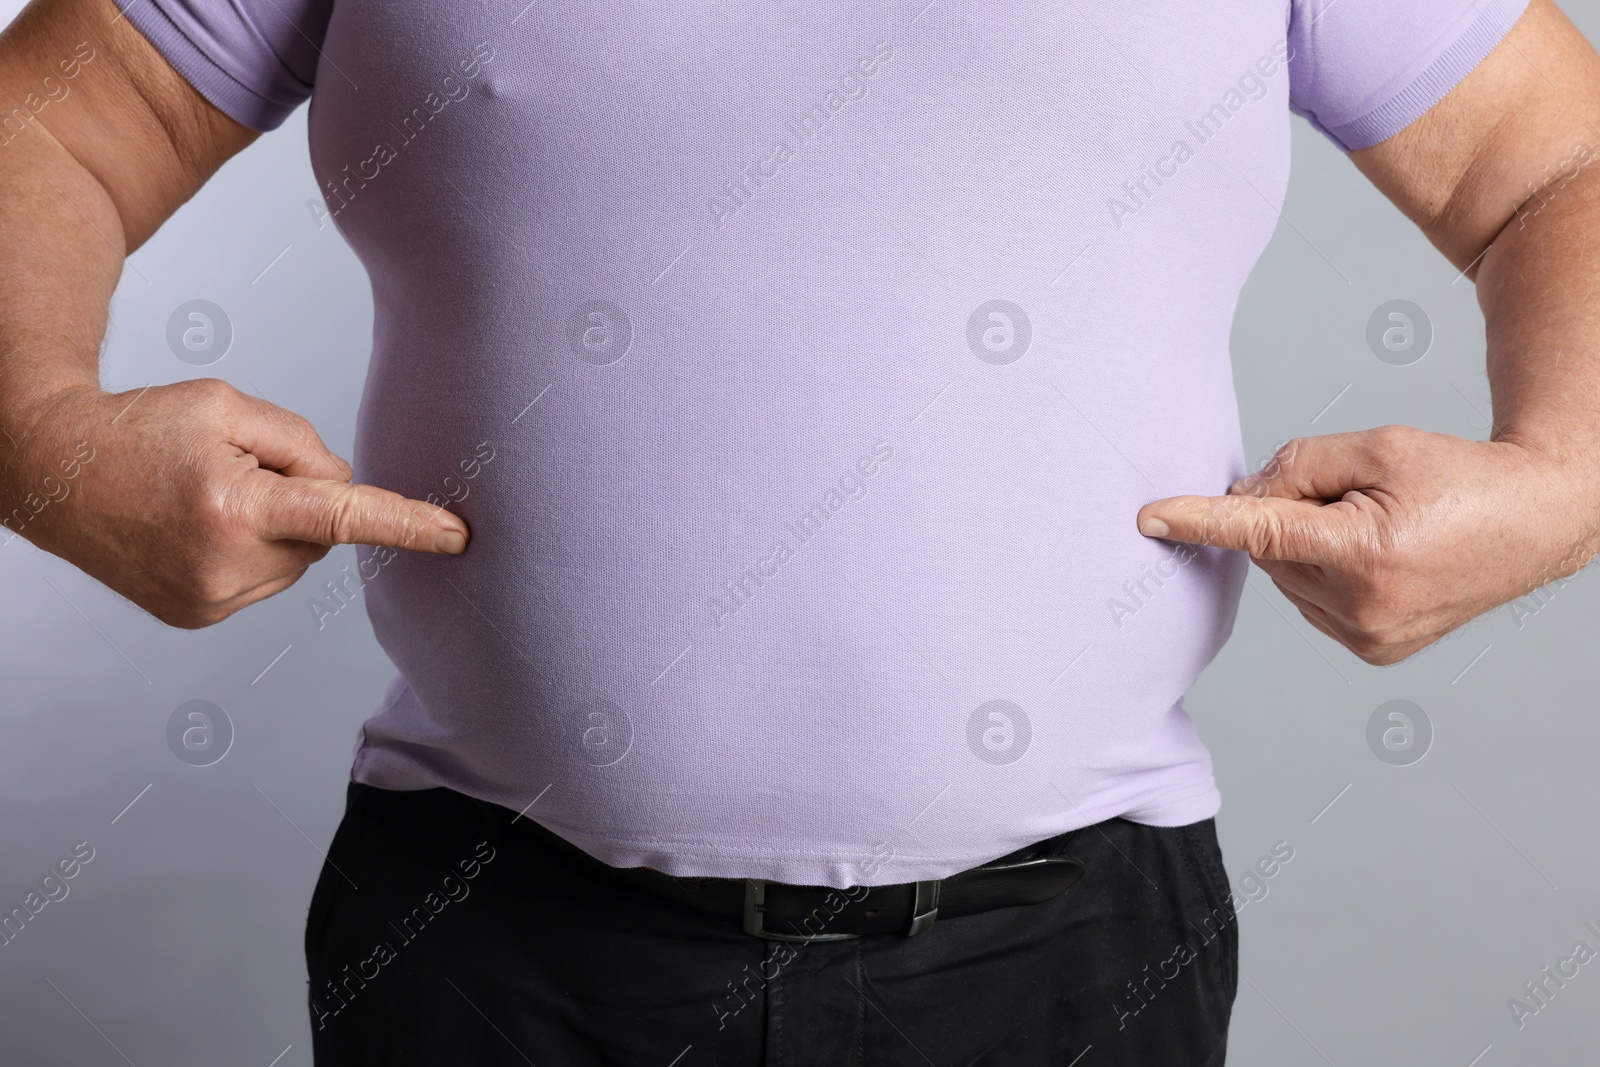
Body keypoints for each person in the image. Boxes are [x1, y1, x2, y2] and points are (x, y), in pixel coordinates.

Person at [2, 0, 1597, 1060]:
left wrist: (1561, 476)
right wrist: (51, 446)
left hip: (1070, 957)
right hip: (495, 942)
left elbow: (1563, 163)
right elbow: (47, 129)